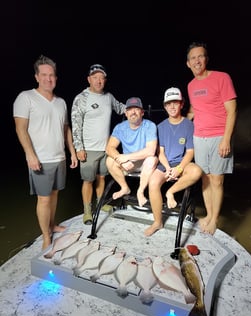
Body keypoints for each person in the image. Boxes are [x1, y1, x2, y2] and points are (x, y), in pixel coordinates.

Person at [13, 55, 78, 250]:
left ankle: (52, 224)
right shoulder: (25, 98)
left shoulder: (61, 102)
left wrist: (72, 152)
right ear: (36, 77)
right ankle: (45, 236)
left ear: (56, 78)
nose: (48, 79)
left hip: (59, 157)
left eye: (52, 75)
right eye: (44, 75)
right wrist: (30, 155)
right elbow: (20, 128)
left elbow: (66, 129)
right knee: (43, 198)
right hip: (40, 159)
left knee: (55, 194)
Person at [186, 41, 237, 235]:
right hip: (199, 137)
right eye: (193, 58)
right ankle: (208, 214)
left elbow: (232, 111)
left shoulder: (222, 78)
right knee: (205, 179)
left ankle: (214, 219)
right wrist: (179, 122)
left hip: (218, 136)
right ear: (188, 63)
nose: (197, 61)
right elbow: (193, 110)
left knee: (217, 180)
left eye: (200, 56)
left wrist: (226, 139)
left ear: (206, 59)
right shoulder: (191, 86)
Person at [71, 64, 126, 225]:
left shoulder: (108, 96)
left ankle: (101, 204)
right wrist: (78, 148)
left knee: (102, 177)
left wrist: (134, 108)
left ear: (105, 80)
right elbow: (75, 124)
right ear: (89, 79)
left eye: (102, 78)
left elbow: (120, 107)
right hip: (88, 148)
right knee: (88, 180)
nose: (99, 81)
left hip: (106, 148)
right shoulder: (81, 98)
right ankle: (87, 211)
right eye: (95, 77)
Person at [144, 87, 202, 236]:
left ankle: (171, 192)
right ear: (164, 106)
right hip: (165, 164)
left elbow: (190, 152)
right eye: (169, 104)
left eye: (175, 103)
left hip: (182, 163)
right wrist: (169, 168)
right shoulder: (161, 126)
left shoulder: (189, 125)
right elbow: (160, 152)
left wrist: (180, 169)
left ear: (182, 104)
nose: (172, 106)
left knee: (196, 171)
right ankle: (157, 222)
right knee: (153, 182)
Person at [105, 97, 158, 207]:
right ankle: (124, 188)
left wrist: (126, 157)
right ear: (126, 112)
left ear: (142, 112)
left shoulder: (150, 125)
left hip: (145, 164)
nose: (133, 112)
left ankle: (140, 191)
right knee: (110, 160)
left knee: (152, 159)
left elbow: (151, 150)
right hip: (127, 164)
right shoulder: (120, 127)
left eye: (136, 109)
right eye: (130, 109)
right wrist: (121, 160)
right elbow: (109, 148)